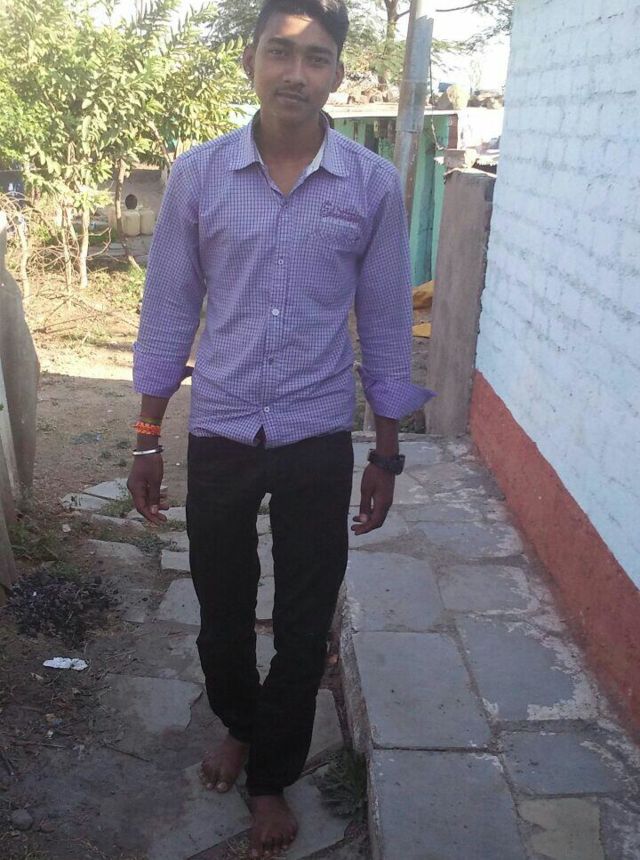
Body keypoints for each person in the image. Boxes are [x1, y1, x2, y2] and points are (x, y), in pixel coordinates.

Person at [127, 0, 433, 855]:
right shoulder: (199, 175)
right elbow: (168, 310)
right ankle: (237, 720)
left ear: (337, 73)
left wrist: (386, 454)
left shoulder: (371, 185)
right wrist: (147, 435)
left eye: (317, 57)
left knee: (303, 618)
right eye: (280, 51)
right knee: (221, 607)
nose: (296, 72)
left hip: (315, 434)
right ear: (251, 60)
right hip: (222, 428)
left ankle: (271, 774)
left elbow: (384, 322)